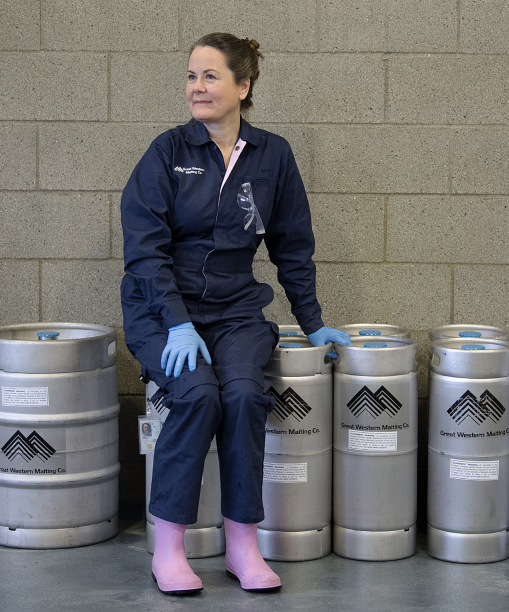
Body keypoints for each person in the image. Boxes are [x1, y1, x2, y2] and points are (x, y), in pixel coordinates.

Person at [120, 32, 351, 595]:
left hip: (235, 311)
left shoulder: (273, 155)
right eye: (192, 76)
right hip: (161, 310)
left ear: (243, 86)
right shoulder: (168, 152)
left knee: (245, 396)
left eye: (210, 76)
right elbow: (144, 249)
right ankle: (169, 547)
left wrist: (312, 318)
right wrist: (175, 320)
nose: (197, 87)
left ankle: (243, 543)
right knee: (198, 397)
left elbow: (292, 244)